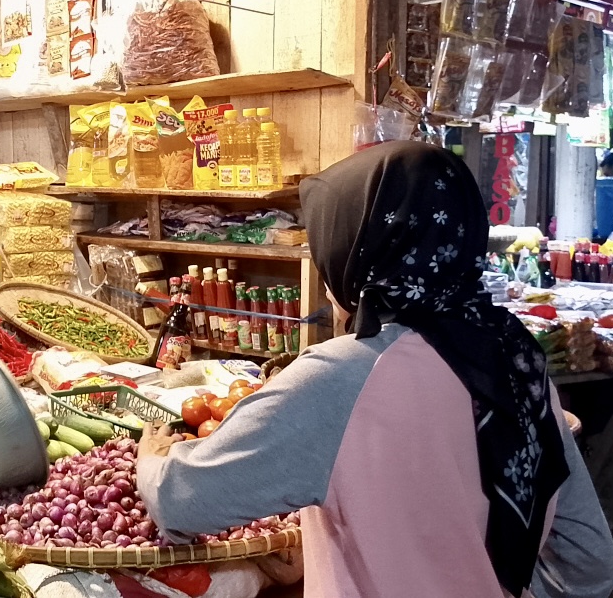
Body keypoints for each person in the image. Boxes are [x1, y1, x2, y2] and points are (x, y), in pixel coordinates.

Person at [137, 142, 613, 598]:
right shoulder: (516, 360)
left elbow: (184, 501)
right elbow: (588, 564)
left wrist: (153, 457)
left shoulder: (339, 379)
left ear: (359, 254)